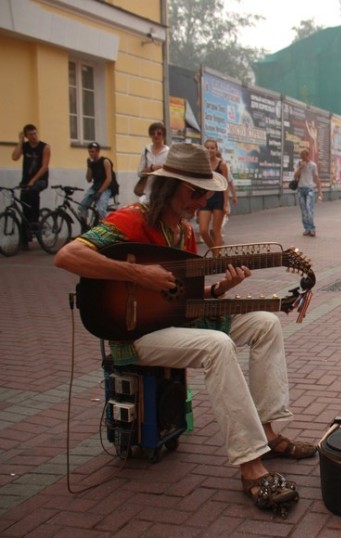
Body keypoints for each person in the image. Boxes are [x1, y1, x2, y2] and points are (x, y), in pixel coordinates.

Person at [53, 143, 316, 513]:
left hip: (173, 321)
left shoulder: (182, 233)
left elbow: (183, 295)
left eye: (205, 193)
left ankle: (268, 433)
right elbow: (67, 255)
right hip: (135, 333)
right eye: (195, 192)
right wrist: (138, 272)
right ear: (170, 186)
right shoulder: (132, 220)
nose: (201, 200)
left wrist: (220, 289)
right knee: (217, 345)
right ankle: (250, 466)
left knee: (265, 323)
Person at [11, 124, 50, 236]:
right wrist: (20, 142)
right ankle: (25, 239)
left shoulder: (44, 147)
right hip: (25, 180)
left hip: (41, 180)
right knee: (24, 206)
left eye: (35, 133)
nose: (33, 136)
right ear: (26, 136)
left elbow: (44, 167)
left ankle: (35, 221)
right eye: (30, 134)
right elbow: (14, 157)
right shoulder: (25, 146)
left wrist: (33, 180)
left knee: (33, 191)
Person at [197, 139, 232, 255]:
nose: (210, 150)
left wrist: (226, 204)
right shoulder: (201, 164)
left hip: (218, 198)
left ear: (216, 150)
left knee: (216, 230)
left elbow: (225, 185)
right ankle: (216, 252)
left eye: (212, 148)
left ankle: (216, 258)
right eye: (207, 147)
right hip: (205, 199)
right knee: (203, 230)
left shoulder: (222, 165)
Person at [80, 142, 118, 221]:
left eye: (93, 151)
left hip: (107, 187)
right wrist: (89, 166)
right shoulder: (92, 163)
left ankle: (104, 228)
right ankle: (84, 226)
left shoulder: (105, 161)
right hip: (96, 186)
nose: (91, 154)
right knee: (83, 205)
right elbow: (88, 179)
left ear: (98, 151)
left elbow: (109, 179)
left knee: (101, 209)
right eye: (89, 152)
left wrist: (100, 192)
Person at [134, 121, 170, 197]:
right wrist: (151, 168)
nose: (155, 136)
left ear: (164, 135)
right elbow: (140, 173)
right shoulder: (146, 150)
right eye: (153, 133)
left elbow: (171, 175)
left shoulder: (168, 152)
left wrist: (163, 169)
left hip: (162, 192)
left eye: (159, 133)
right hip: (146, 192)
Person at [293, 149, 322, 237]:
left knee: (309, 209)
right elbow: (295, 175)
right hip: (301, 189)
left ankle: (312, 229)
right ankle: (307, 229)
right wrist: (301, 167)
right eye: (301, 156)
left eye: (304, 156)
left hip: (310, 189)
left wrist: (320, 191)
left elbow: (316, 178)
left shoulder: (313, 165)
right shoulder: (298, 164)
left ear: (307, 156)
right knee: (303, 211)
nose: (302, 158)